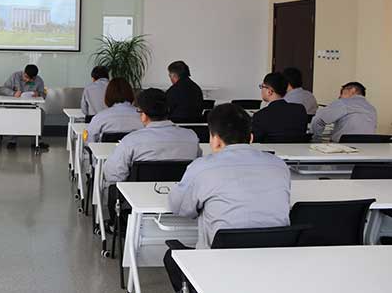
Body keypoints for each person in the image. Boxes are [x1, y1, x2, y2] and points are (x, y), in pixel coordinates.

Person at [164, 103, 291, 292]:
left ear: (215, 140)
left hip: (219, 266)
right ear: (250, 137)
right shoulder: (279, 165)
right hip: (273, 264)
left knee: (171, 256)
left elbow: (179, 208)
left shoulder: (202, 167)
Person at [104, 88, 201, 226]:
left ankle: (115, 226)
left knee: (113, 189)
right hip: (182, 208)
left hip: (138, 207)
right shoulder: (191, 137)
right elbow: (197, 171)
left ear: (144, 115)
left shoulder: (131, 141)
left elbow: (113, 175)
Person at [251, 72, 309, 143]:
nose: (261, 90)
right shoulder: (300, 110)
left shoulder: (260, 116)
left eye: (262, 87)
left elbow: (255, 141)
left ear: (269, 91)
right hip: (298, 150)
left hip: (270, 150)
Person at [311, 82, 377, 142]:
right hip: (368, 148)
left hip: (343, 147)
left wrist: (317, 139)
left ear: (353, 90)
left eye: (341, 93)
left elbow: (318, 120)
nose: (339, 97)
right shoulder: (372, 108)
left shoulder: (344, 102)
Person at [1, 64, 47, 149]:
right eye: (26, 77)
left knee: (41, 114)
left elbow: (43, 95)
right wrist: (13, 93)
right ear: (24, 72)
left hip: (30, 106)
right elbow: (3, 89)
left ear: (34, 77)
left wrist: (38, 94)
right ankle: (12, 140)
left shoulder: (39, 80)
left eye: (30, 79)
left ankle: (36, 141)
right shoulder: (15, 76)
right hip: (14, 105)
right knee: (14, 114)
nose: (27, 80)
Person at [86, 77, 143, 143]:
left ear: (108, 95)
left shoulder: (100, 117)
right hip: (136, 149)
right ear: (131, 94)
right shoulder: (143, 116)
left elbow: (89, 141)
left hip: (107, 149)